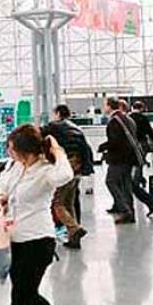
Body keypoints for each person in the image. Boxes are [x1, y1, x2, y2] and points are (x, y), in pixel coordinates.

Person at [0, 124, 76, 305]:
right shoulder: (15, 166)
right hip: (14, 241)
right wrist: (0, 197)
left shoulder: (46, 171)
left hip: (38, 242)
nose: (8, 152)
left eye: (11, 148)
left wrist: (58, 151)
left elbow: (65, 176)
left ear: (25, 150)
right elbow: (1, 183)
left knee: (20, 304)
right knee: (27, 295)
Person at [44, 104, 93, 249]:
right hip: (77, 167)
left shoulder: (54, 126)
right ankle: (73, 239)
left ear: (58, 114)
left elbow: (38, 136)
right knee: (69, 203)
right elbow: (86, 149)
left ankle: (74, 228)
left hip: (65, 166)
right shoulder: (77, 128)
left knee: (57, 203)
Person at [98, 97, 141, 225]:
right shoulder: (128, 119)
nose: (104, 108)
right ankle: (130, 213)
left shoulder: (114, 121)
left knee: (111, 181)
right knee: (125, 185)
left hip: (119, 158)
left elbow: (115, 141)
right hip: (130, 157)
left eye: (105, 105)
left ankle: (125, 210)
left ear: (109, 106)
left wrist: (103, 147)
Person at [128, 101, 153, 217]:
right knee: (139, 163)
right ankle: (139, 178)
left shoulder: (129, 117)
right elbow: (149, 131)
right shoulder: (143, 118)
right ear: (141, 108)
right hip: (143, 144)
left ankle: (138, 180)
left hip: (132, 144)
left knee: (133, 166)